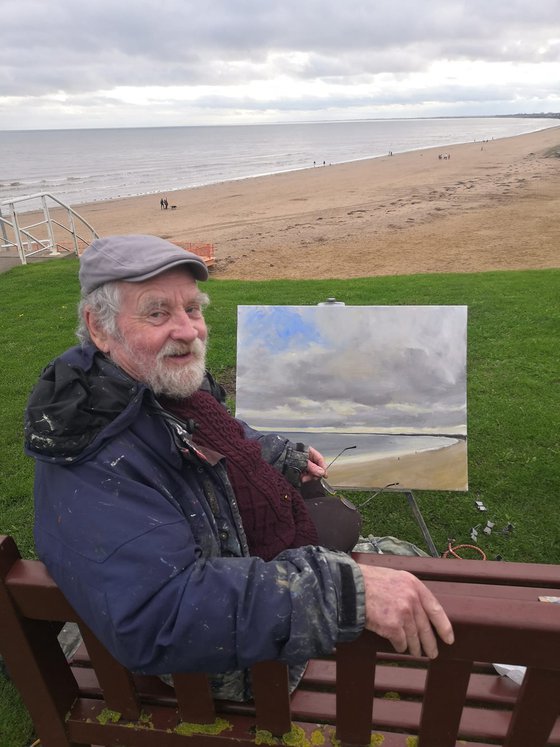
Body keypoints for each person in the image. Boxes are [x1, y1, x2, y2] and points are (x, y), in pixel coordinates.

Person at [24, 235, 453, 701]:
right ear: (100, 328)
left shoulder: (149, 387)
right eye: (158, 312)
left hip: (238, 581)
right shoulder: (96, 451)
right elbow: (162, 612)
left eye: (193, 309)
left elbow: (224, 439)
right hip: (231, 673)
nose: (188, 330)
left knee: (348, 526)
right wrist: (343, 593)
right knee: (393, 557)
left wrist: (276, 454)